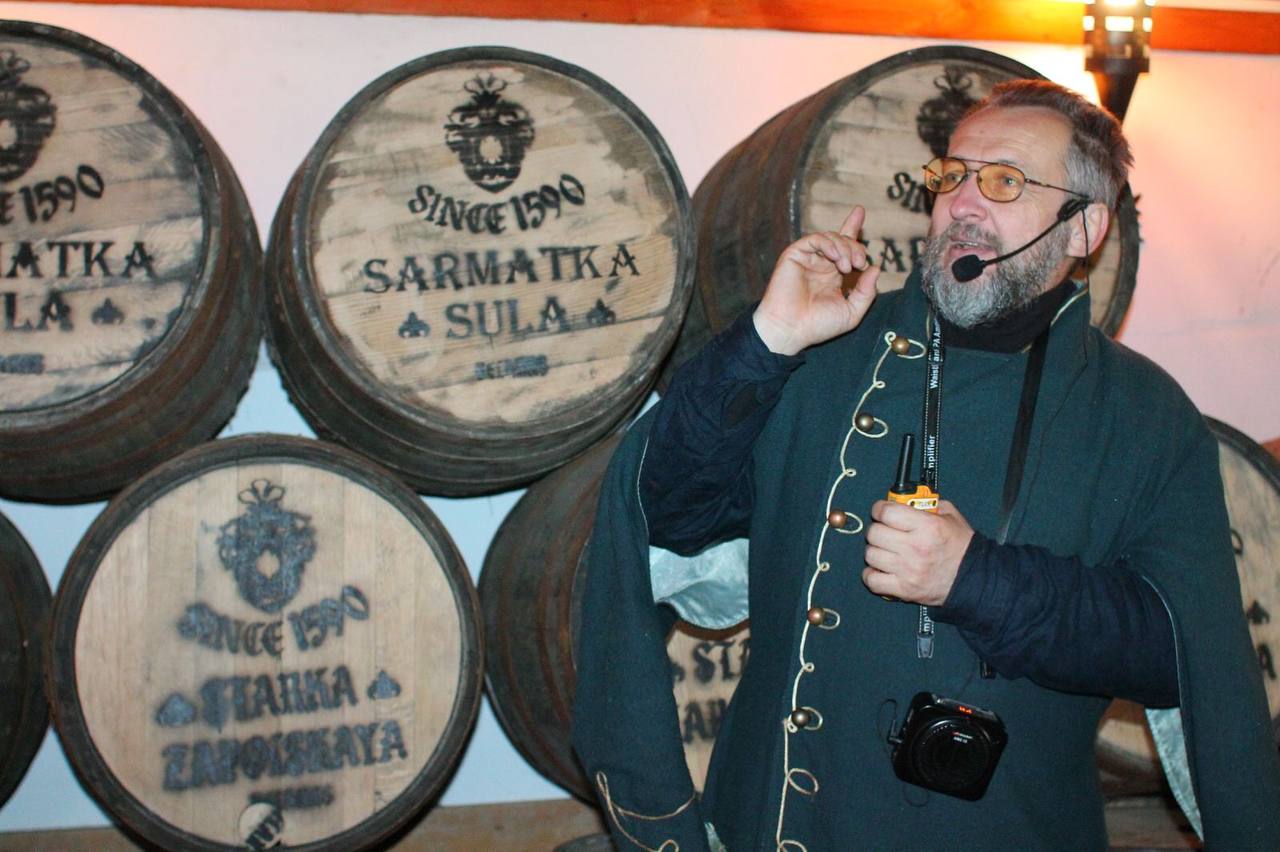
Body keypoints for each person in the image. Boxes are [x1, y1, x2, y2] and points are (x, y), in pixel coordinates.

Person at [572, 79, 1280, 851]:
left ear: (1084, 227)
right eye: (952, 176)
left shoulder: (1142, 414)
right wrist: (765, 340)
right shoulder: (825, 351)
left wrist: (974, 578)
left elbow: (1176, 652)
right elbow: (669, 515)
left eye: (1005, 181)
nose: (962, 203)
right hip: (766, 826)